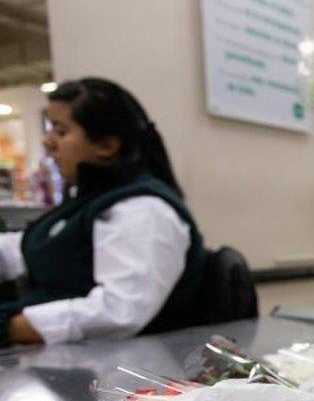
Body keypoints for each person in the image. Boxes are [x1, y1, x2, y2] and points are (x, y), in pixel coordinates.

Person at [0, 78, 206, 346]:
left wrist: (10, 327)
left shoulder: (142, 210)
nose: (48, 142)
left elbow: (120, 311)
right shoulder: (89, 201)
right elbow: (34, 249)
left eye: (61, 132)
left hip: (114, 373)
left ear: (107, 145)